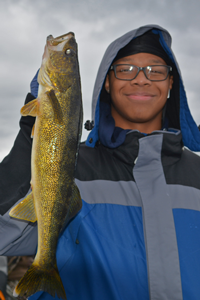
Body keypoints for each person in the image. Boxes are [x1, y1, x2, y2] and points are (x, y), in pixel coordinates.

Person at [0, 24, 200, 300]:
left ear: (171, 83)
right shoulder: (72, 168)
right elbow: (4, 235)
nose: (141, 79)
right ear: (107, 82)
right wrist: (32, 130)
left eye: (156, 69)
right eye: (126, 69)